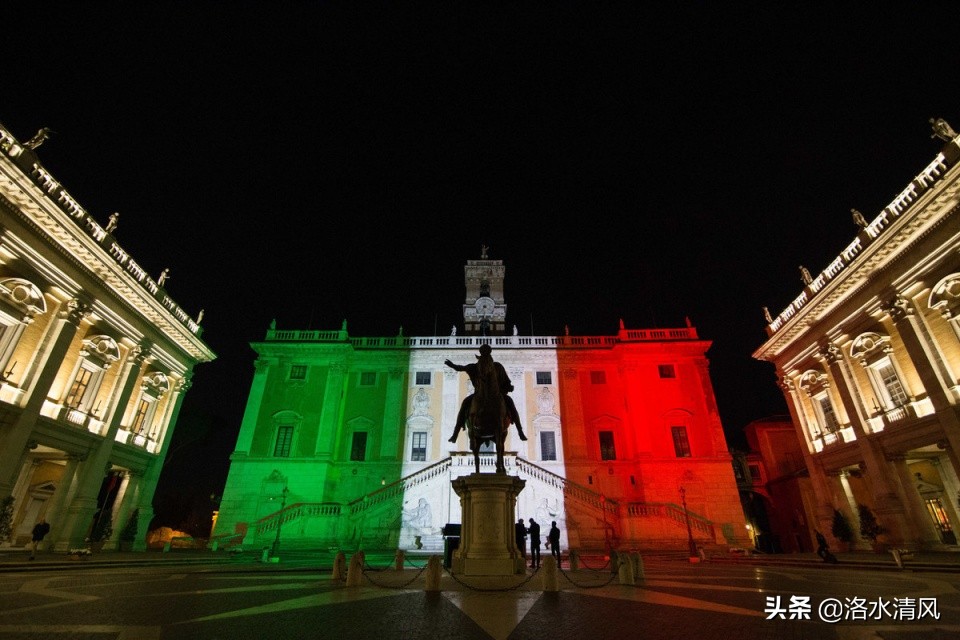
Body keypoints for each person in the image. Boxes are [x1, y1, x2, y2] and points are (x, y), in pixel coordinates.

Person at [445, 345, 526, 443]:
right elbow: (461, 368)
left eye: (486, 352)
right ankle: (455, 433)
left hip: (497, 394)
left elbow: (505, 379)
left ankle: (520, 431)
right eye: (483, 352)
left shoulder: (497, 366)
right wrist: (452, 365)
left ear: (489, 353)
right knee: (465, 404)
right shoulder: (475, 367)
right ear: (481, 353)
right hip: (479, 394)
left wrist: (508, 387)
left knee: (510, 404)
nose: (485, 354)